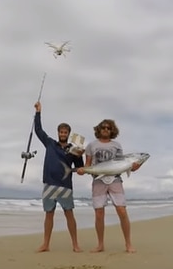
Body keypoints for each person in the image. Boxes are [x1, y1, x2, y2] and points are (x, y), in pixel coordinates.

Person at [76, 119, 142, 253]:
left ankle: (128, 244)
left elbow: (122, 165)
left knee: (122, 211)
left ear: (112, 131)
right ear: (98, 129)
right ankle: (100, 245)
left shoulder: (117, 145)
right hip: (98, 180)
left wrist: (134, 167)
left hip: (115, 180)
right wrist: (82, 170)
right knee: (99, 213)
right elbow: (88, 165)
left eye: (108, 128)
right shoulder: (91, 145)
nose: (106, 129)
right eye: (103, 127)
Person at [33, 101, 84, 253]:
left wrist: (81, 160)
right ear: (58, 133)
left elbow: (79, 167)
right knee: (49, 215)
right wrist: (38, 113)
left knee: (70, 215)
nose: (63, 134)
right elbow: (38, 130)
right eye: (61, 132)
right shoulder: (50, 143)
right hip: (49, 184)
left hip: (65, 186)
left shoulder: (74, 149)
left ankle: (75, 244)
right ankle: (45, 244)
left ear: (68, 134)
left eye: (65, 132)